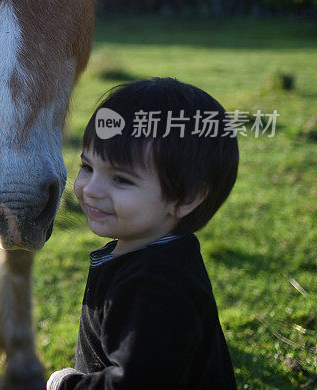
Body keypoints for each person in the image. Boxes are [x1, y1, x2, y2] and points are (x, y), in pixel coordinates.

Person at [47, 78, 239, 389]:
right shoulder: (154, 252)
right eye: (88, 167)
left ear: (186, 198)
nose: (91, 190)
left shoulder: (155, 287)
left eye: (121, 179)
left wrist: (65, 385)